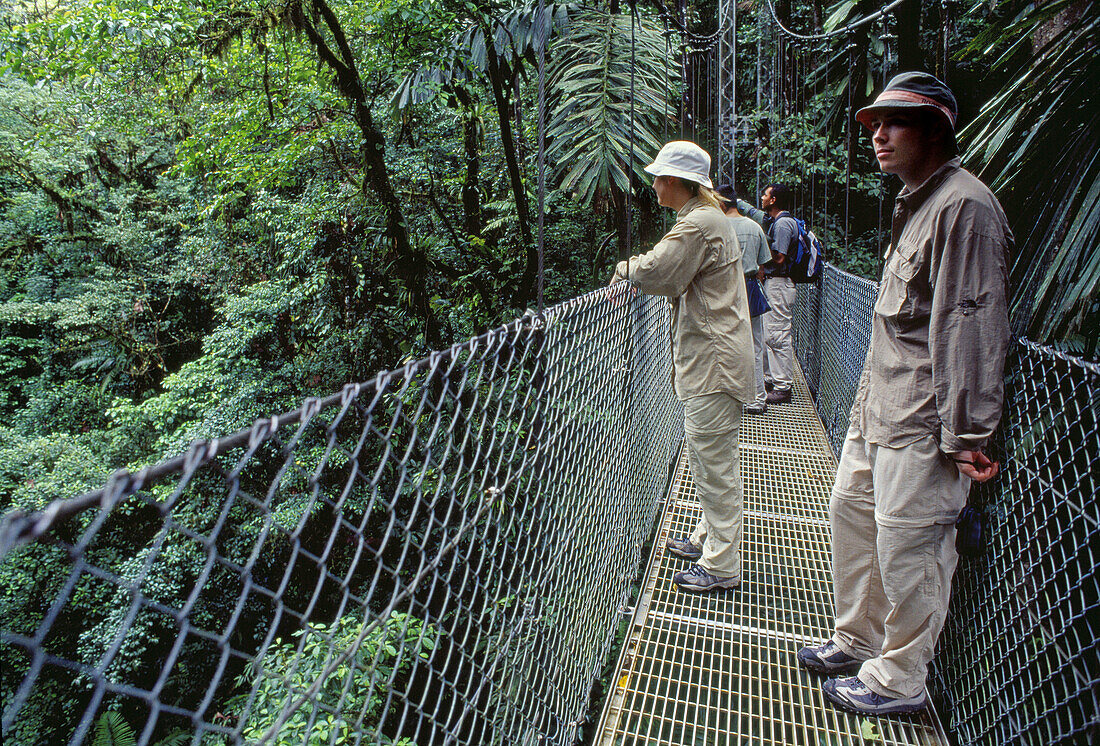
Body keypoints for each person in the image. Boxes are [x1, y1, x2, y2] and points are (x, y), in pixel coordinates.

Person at [796, 72, 1012, 716]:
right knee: (852, 518)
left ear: (936, 132)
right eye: (875, 123)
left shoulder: (964, 209)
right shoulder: (915, 203)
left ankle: (899, 678)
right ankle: (856, 638)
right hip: (875, 405)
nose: (879, 136)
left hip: (922, 419)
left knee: (910, 545)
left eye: (897, 123)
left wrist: (967, 435)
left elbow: (970, 324)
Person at [609, 141, 754, 592]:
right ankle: (711, 538)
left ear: (675, 181)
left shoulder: (699, 224)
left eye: (658, 177)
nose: (652, 184)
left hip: (714, 364)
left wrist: (622, 269)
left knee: (714, 466)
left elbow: (656, 270)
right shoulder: (704, 218)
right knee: (709, 459)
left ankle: (721, 566)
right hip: (714, 361)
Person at [735, 185, 799, 403]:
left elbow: (779, 257)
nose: (762, 197)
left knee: (777, 335)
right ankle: (773, 379)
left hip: (780, 283)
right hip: (775, 284)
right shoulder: (779, 222)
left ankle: (783, 387)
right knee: (770, 333)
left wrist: (758, 243)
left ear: (773, 200)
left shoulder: (782, 224)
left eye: (765, 194)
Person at [717, 184, 772, 414]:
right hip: (750, 288)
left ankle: (730, 397)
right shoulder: (754, 227)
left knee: (724, 346)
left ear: (720, 203)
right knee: (756, 346)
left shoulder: (716, 227)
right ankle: (758, 398)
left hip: (724, 291)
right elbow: (763, 264)